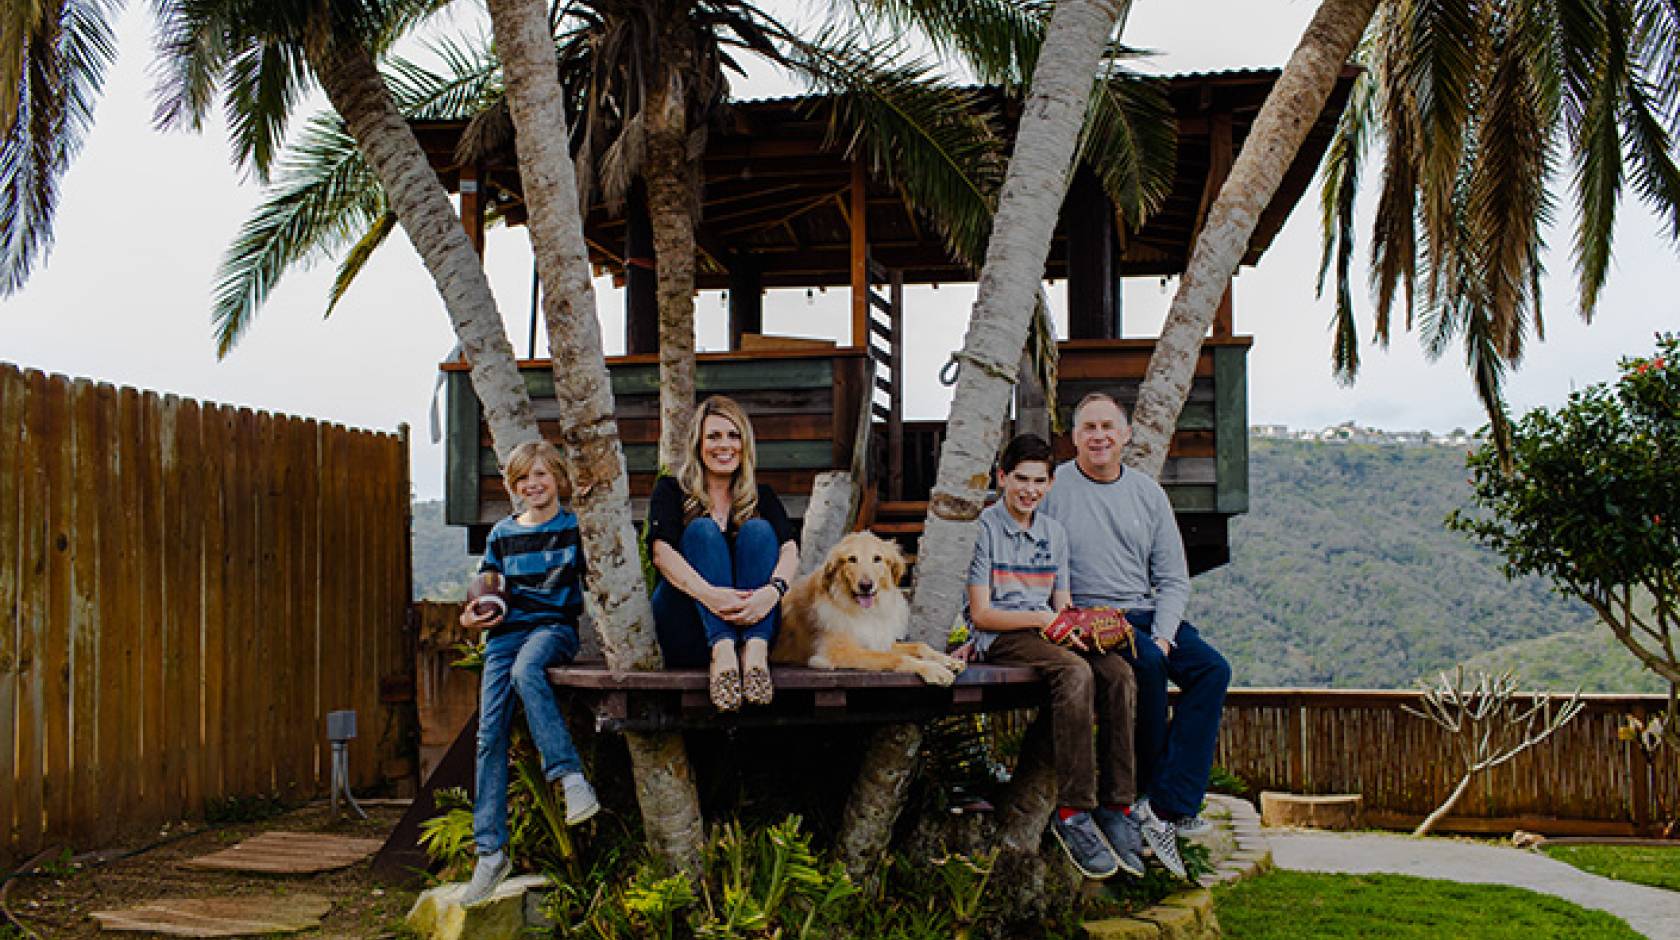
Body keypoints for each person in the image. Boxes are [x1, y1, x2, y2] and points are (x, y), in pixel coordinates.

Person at [1040, 393, 1231, 880]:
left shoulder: (1147, 494)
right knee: (1145, 665)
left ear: (1126, 435)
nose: (1098, 436)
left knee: (1212, 670)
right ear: (1073, 437)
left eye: (1108, 427)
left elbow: (1173, 579)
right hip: (1088, 619)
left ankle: (1167, 806)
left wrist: (1166, 636)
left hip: (1145, 614)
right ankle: (1137, 794)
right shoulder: (1054, 487)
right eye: (1088, 428)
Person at [965, 433, 1144, 880]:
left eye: (1040, 481)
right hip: (1003, 635)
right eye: (1021, 479)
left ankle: (1117, 804)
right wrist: (1042, 619)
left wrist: (1082, 625)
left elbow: (1061, 604)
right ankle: (1073, 812)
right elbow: (983, 614)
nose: (1030, 490)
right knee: (1075, 672)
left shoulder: (1053, 533)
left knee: (1120, 673)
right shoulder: (983, 529)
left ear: (1049, 485)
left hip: (1049, 629)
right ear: (1002, 477)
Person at [458, 439, 598, 904]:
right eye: (522, 479)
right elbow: (484, 592)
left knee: (526, 670)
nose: (532, 485)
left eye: (540, 475)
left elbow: (597, 581)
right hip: (503, 636)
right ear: (512, 487)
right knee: (488, 737)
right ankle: (490, 853)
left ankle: (570, 779)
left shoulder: (575, 529)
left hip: (552, 630)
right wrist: (470, 618)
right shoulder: (501, 535)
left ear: (558, 477)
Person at [648, 395, 800, 710]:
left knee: (759, 531)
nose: (724, 445)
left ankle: (755, 656)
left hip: (752, 625)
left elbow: (789, 550)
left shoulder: (761, 496)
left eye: (733, 436)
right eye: (713, 436)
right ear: (698, 444)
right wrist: (710, 595)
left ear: (745, 444)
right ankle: (723, 653)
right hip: (688, 623)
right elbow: (661, 552)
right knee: (702, 531)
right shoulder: (672, 490)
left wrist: (772, 593)